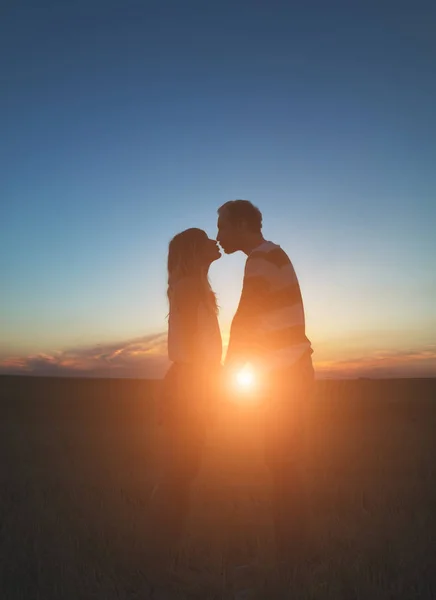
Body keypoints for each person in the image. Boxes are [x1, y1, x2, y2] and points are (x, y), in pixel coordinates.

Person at [217, 199, 315, 578]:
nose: (219, 235)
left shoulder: (259, 258)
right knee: (284, 466)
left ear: (242, 224)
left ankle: (292, 562)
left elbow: (246, 319)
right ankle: (296, 556)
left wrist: (225, 374)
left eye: (222, 226)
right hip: (291, 371)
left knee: (282, 467)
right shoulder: (273, 255)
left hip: (284, 377)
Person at [146, 228, 222, 590]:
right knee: (179, 475)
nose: (215, 243)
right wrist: (208, 389)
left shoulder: (193, 286)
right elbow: (193, 346)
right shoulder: (191, 287)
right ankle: (158, 567)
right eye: (207, 239)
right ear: (194, 250)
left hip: (190, 382)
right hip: (190, 385)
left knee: (181, 474)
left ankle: (159, 560)